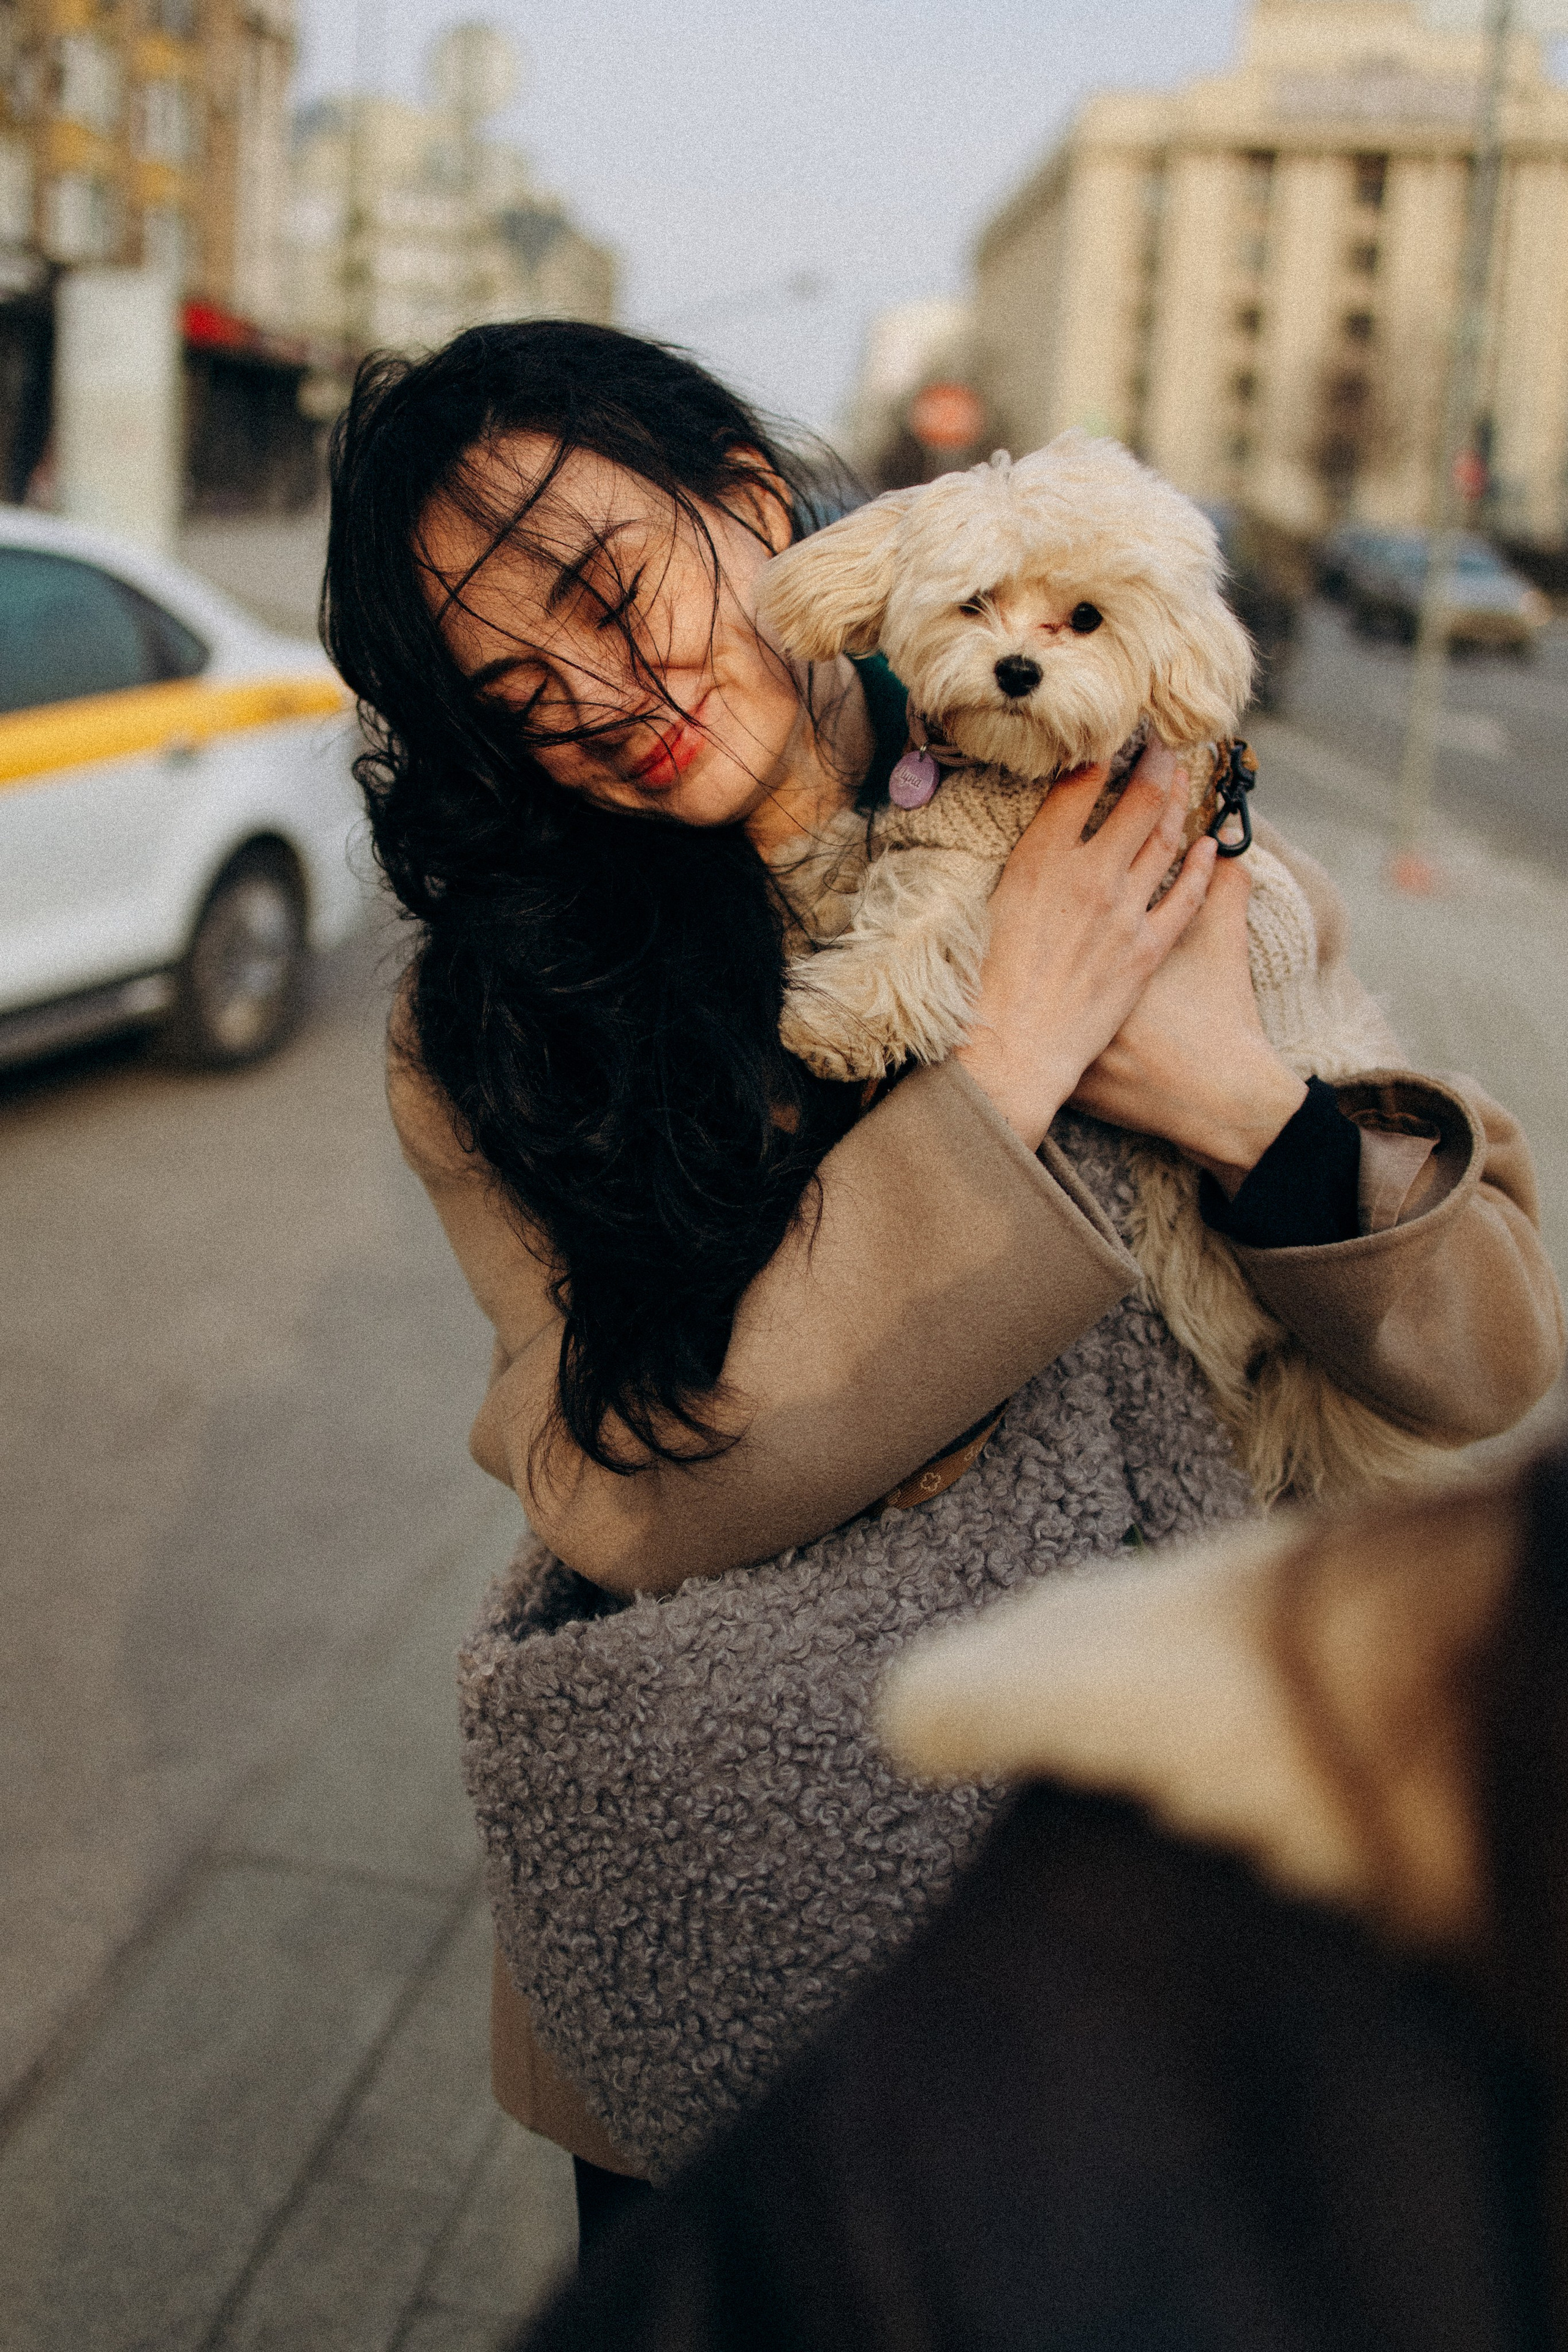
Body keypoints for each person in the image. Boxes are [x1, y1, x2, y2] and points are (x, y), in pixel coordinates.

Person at [321, 321, 1562, 2230]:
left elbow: (1490, 1361)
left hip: (1167, 1914)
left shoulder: (1134, 801)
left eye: (604, 583)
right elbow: (622, 1493)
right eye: (511, 685)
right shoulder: (492, 1016)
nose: (595, 688)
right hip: (752, 1998)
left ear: (749, 501)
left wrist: (1236, 1102)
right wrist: (1009, 1066)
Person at [510, 1433, 1568, 2351]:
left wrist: (1300, 1200)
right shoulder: (1123, 1968)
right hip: (726, 1789)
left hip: (1196, 1606)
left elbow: (1482, 1340)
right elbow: (611, 1430)